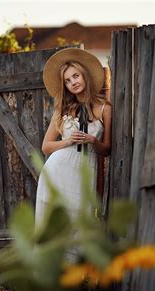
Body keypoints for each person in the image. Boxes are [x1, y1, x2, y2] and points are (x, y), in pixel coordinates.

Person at [35, 48, 112, 233]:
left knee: (79, 223)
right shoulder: (62, 110)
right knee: (54, 225)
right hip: (57, 170)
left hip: (85, 170)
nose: (73, 83)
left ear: (84, 75)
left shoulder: (105, 109)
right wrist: (68, 141)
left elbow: (107, 149)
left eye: (75, 76)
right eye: (67, 81)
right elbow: (46, 146)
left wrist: (93, 140)